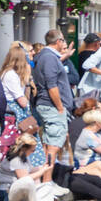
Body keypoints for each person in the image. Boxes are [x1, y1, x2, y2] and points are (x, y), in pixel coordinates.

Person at [33, 30, 75, 169]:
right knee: (53, 146)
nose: (64, 43)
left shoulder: (47, 57)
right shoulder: (49, 58)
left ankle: (45, 180)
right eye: (63, 40)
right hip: (52, 106)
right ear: (58, 42)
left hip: (48, 105)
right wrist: (60, 107)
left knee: (48, 143)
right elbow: (52, 86)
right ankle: (46, 181)